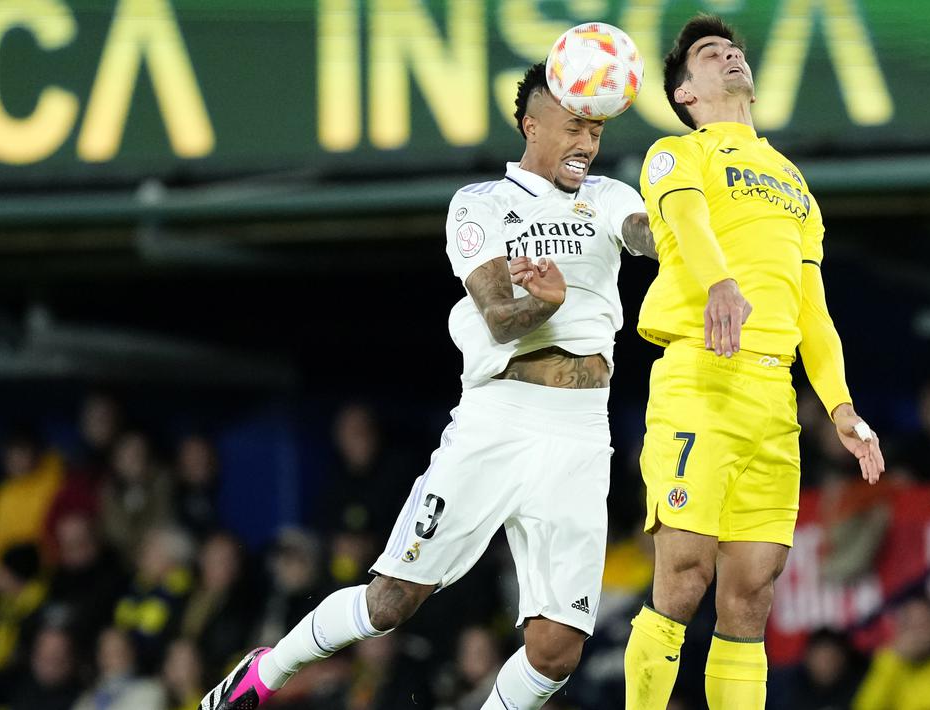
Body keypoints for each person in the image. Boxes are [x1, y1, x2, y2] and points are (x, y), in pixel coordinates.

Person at [199, 60, 656, 710]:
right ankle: (262, 675)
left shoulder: (609, 197)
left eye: (596, 129)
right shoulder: (481, 205)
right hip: (499, 419)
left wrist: (685, 215)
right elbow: (499, 319)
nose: (587, 141)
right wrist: (543, 306)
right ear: (531, 124)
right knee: (391, 602)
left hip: (581, 431)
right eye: (574, 125)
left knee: (556, 651)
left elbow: (651, 237)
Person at [622, 15, 885, 709]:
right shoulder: (675, 154)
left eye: (733, 49)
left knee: (751, 598)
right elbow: (686, 221)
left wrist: (841, 407)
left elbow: (813, 312)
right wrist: (720, 284)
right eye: (710, 54)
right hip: (700, 381)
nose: (729, 55)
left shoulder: (793, 182)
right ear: (686, 94)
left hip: (771, 400)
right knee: (681, 579)